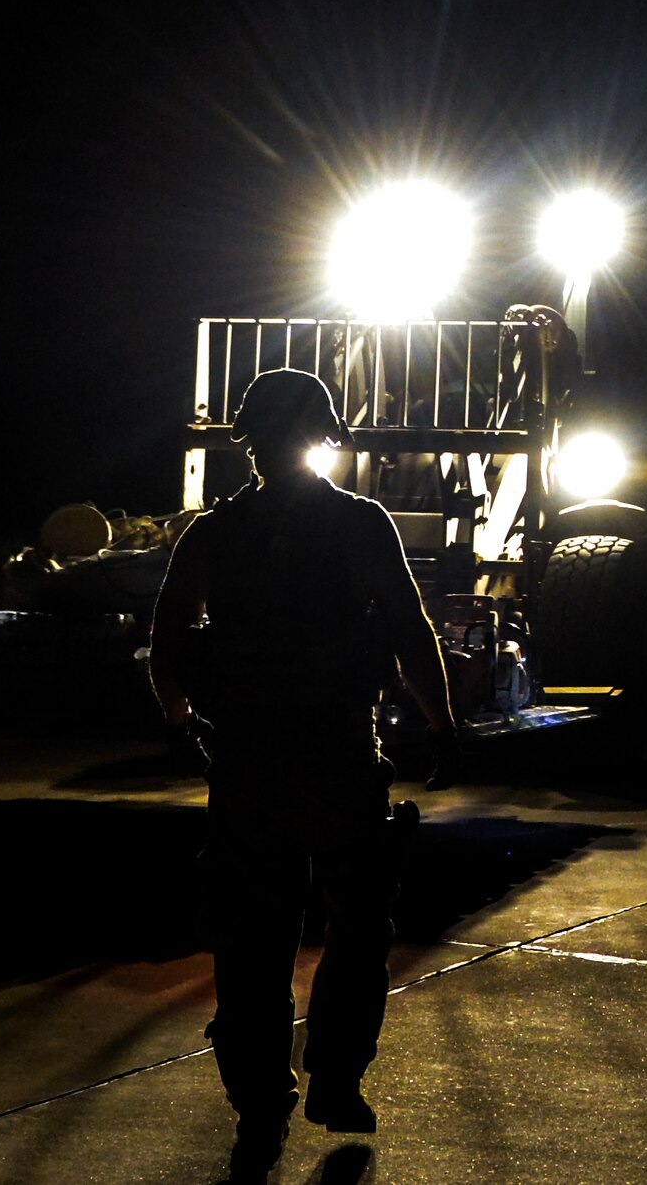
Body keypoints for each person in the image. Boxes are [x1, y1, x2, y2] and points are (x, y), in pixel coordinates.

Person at [147, 367, 459, 1182]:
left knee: (252, 934)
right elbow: (409, 630)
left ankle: (261, 1096)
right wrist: (442, 727)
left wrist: (181, 725)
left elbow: (169, 641)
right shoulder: (359, 526)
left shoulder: (214, 535)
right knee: (358, 922)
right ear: (323, 434)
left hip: (248, 765)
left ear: (246, 441)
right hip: (337, 761)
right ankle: (336, 1080)